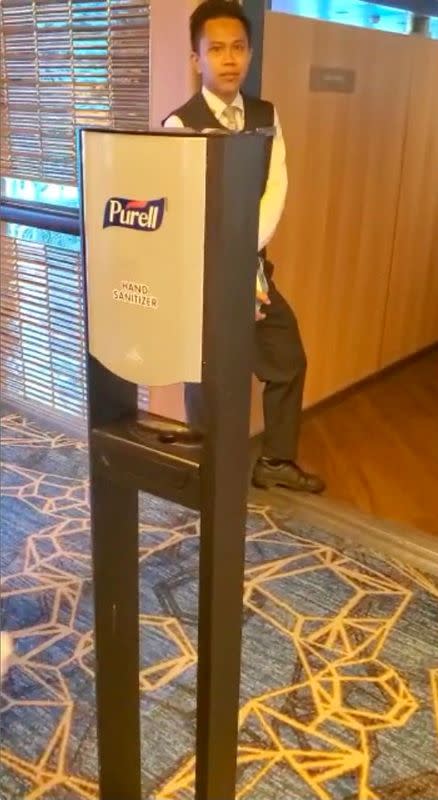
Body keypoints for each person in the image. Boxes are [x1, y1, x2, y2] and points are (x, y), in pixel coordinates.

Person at [164, 0, 325, 494]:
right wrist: (229, 263)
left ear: (250, 53)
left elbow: (276, 186)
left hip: (253, 270)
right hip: (206, 274)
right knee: (207, 371)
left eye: (237, 47)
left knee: (287, 356)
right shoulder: (179, 125)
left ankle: (275, 460)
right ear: (197, 59)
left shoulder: (266, 115)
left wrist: (244, 256)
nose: (228, 58)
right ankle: (208, 464)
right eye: (215, 49)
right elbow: (185, 211)